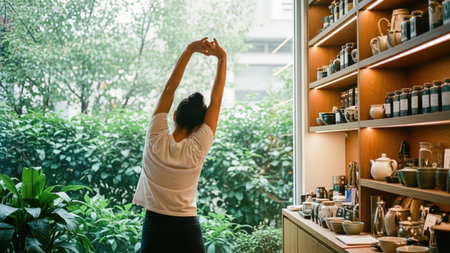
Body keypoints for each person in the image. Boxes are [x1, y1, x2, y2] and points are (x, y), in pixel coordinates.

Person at [133, 37, 227, 253]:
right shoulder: (197, 147)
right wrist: (222, 58)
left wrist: (190, 50)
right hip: (187, 231)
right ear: (198, 127)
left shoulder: (155, 138)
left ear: (174, 114)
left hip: (154, 228)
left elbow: (169, 90)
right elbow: (216, 101)